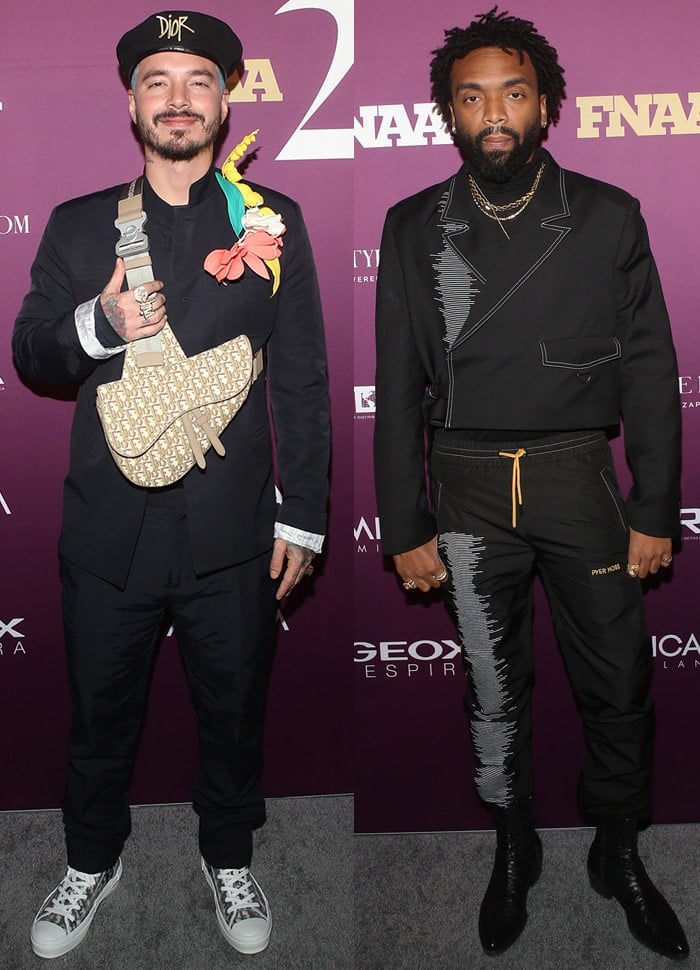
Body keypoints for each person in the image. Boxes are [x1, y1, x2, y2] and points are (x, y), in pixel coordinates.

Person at [13, 10, 329, 960]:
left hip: (233, 535)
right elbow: (31, 351)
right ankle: (89, 860)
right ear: (132, 102)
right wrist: (100, 322)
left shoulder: (273, 222)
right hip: (108, 533)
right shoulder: (78, 224)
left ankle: (227, 853)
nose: (179, 99)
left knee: (233, 711)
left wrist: (304, 519)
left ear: (226, 98)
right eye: (158, 81)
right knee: (98, 711)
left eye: (199, 80)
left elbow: (304, 377)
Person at [374, 7, 688, 961]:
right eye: (472, 97)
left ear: (545, 104)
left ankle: (618, 849)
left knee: (620, 679)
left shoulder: (607, 215)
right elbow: (395, 386)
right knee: (492, 684)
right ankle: (514, 845)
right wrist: (403, 521)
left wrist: (652, 505)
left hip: (577, 482)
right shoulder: (410, 225)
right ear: (448, 114)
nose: (494, 112)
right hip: (465, 488)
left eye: (513, 92)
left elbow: (650, 369)